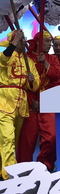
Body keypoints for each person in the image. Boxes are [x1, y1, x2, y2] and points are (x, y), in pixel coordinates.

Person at [16, 31, 60, 170]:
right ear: (38, 42)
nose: (50, 45)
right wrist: (32, 102)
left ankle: (45, 164)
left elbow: (57, 76)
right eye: (47, 41)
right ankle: (24, 168)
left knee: (51, 136)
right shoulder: (27, 58)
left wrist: (45, 63)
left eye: (50, 42)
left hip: (48, 103)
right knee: (27, 140)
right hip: (30, 103)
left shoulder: (52, 59)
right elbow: (21, 82)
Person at [0, 29, 40, 179]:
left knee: (11, 140)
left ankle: (3, 170)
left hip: (21, 102)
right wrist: (15, 41)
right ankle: (9, 174)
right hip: (4, 101)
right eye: (20, 40)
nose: (24, 42)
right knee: (7, 138)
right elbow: (3, 61)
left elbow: (36, 85)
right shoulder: (5, 56)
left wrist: (32, 81)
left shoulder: (28, 61)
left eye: (23, 40)